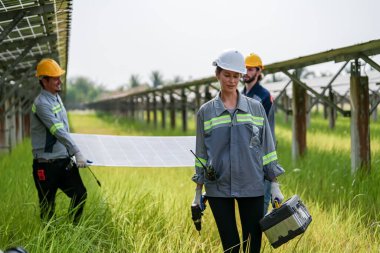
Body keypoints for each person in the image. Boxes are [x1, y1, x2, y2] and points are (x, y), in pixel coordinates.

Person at [191, 49, 285, 253]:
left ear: (241, 76)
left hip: (252, 183)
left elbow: (267, 148)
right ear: (217, 74)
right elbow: (201, 155)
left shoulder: (256, 108)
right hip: (218, 186)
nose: (231, 81)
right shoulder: (205, 112)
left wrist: (275, 185)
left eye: (236, 76)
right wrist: (198, 192)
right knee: (231, 247)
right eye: (227, 75)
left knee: (253, 246)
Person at [31, 58, 90, 224]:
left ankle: (73, 230)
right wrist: (77, 151)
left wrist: (76, 150)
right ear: (44, 80)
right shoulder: (41, 104)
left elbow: (65, 128)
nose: (59, 81)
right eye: (55, 77)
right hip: (46, 166)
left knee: (80, 194)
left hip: (63, 161)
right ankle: (50, 242)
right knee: (47, 209)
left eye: (59, 76)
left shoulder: (56, 97)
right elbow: (58, 130)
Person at [242, 53, 276, 215]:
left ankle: (258, 239)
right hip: (244, 156)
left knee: (261, 202)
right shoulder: (239, 96)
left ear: (258, 71)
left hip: (261, 155)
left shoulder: (263, 96)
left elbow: (264, 132)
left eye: (250, 69)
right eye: (245, 69)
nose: (246, 72)